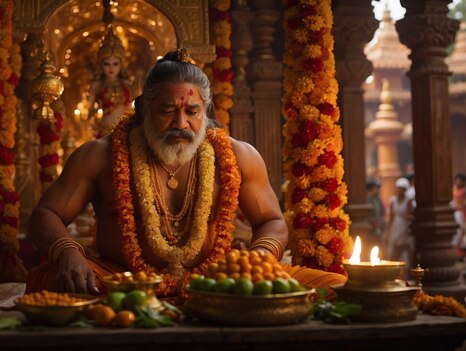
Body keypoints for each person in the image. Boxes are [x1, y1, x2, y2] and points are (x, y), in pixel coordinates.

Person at [26, 49, 346, 297]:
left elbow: (272, 222)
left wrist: (258, 260)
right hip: (122, 280)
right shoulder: (100, 154)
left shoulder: (237, 156)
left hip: (218, 282)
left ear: (204, 110)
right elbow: (46, 213)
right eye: (167, 111)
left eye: (192, 112)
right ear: (144, 109)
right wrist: (68, 254)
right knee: (52, 282)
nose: (181, 124)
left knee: (335, 287)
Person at [87, 26, 133, 137]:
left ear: (121, 65)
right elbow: (90, 112)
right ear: (100, 65)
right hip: (104, 130)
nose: (111, 68)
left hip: (125, 131)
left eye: (115, 64)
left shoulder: (127, 85)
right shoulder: (97, 85)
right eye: (106, 64)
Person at [383, 177, 415, 269]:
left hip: (405, 228)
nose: (399, 191)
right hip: (395, 227)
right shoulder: (393, 201)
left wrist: (405, 216)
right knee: (394, 250)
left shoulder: (409, 201)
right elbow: (391, 217)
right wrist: (387, 232)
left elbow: (412, 216)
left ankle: (409, 270)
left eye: (401, 189)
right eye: (398, 188)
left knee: (408, 249)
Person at [366, 180, 385, 248]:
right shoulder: (367, 199)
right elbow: (366, 214)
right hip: (370, 227)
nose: (377, 190)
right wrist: (373, 221)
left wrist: (381, 220)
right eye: (375, 188)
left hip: (379, 225)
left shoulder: (378, 199)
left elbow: (382, 211)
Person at [451, 173, 466, 250]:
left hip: (462, 212)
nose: (458, 182)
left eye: (460, 180)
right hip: (455, 212)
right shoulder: (454, 190)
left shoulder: (464, 191)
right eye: (457, 180)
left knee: (461, 230)